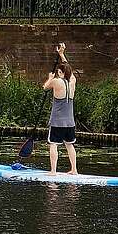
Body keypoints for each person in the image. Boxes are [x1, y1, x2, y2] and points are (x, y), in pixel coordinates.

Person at [42, 42, 78, 175]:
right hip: (70, 122)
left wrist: (50, 78)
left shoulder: (56, 81)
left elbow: (45, 87)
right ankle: (74, 170)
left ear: (61, 72)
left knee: (53, 144)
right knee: (69, 144)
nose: (57, 74)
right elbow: (70, 70)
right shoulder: (72, 81)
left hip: (57, 122)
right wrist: (62, 54)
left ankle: (53, 171)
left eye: (58, 72)